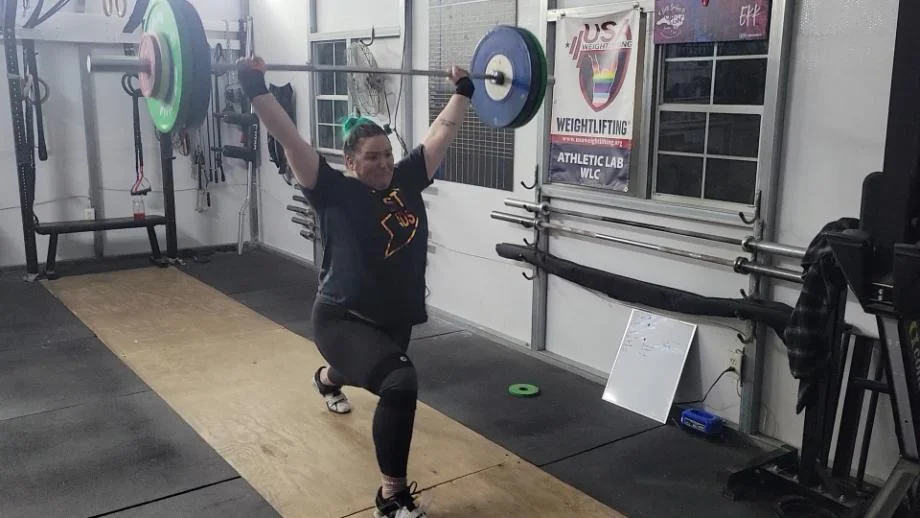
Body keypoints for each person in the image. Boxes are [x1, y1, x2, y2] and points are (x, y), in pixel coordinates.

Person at [237, 56, 473, 518]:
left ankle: (326, 379)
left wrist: (464, 92)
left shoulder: (406, 180)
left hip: (394, 317)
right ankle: (392, 498)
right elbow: (289, 138)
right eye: (372, 157)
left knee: (365, 371)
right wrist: (254, 87)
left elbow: (441, 131)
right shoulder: (331, 190)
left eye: (387, 154)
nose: (384, 163)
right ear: (350, 161)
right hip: (341, 317)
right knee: (399, 382)